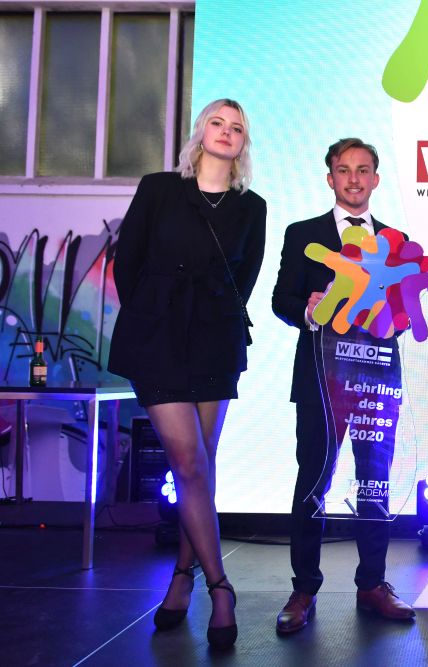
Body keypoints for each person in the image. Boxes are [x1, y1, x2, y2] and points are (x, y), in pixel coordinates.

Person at [109, 98, 266, 649]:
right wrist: (154, 315)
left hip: (214, 340)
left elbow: (246, 278)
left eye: (236, 127)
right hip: (157, 338)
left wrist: (209, 316)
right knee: (189, 462)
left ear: (243, 143)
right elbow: (126, 264)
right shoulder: (159, 189)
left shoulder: (252, 207)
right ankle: (220, 586)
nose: (226, 132)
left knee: (202, 462)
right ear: (200, 132)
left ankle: (182, 576)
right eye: (217, 123)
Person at [271, 137, 415, 633]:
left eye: (363, 169)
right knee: (313, 479)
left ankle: (372, 584)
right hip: (319, 380)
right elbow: (282, 299)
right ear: (330, 178)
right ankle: (304, 588)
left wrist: (390, 316)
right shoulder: (302, 234)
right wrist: (310, 309)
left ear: (376, 178)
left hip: (376, 380)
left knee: (374, 481)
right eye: (344, 169)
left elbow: (403, 311)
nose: (354, 178)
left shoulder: (396, 239)